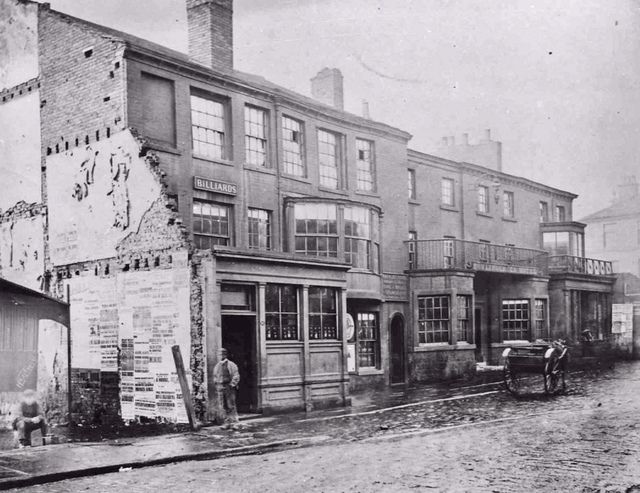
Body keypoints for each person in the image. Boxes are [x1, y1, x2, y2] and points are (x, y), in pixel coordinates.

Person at [212, 348, 240, 430]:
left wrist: (232, 384)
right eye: (219, 354)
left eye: (222, 354)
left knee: (231, 405)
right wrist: (217, 385)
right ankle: (227, 422)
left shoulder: (231, 365)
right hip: (220, 387)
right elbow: (215, 376)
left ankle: (234, 423)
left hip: (228, 386)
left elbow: (236, 375)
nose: (220, 356)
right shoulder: (217, 366)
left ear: (225, 355)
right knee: (223, 406)